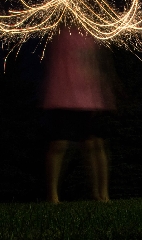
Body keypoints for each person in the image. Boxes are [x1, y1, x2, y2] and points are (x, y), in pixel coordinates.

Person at [42, 27, 116, 203]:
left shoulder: (92, 36)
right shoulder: (59, 34)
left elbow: (101, 64)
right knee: (59, 145)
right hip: (62, 97)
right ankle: (52, 196)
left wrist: (105, 90)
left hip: (89, 98)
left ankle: (102, 195)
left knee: (94, 145)